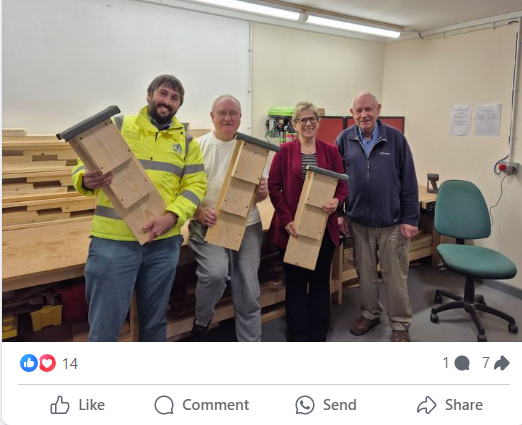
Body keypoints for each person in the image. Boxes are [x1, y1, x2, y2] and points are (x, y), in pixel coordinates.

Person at [72, 74, 207, 342]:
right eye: (163, 93)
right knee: (105, 324)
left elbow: (195, 187)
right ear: (149, 94)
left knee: (154, 323)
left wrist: (172, 216)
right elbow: (81, 165)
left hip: (163, 243)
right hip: (114, 241)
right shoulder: (120, 126)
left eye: (174, 98)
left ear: (180, 105)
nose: (167, 101)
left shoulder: (188, 143)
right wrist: (84, 179)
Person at [336, 91, 419, 342]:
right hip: (358, 223)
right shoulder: (343, 139)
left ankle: (400, 324)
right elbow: (336, 181)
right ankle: (370, 314)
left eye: (368, 109)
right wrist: (340, 213)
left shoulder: (395, 139)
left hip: (392, 223)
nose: (364, 115)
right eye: (359, 110)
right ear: (352, 113)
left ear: (378, 109)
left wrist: (410, 219)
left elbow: (409, 181)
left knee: (395, 279)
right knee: (366, 276)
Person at [188, 95, 268, 342]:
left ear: (240, 118)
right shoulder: (197, 147)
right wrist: (198, 212)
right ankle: (202, 324)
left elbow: (258, 195)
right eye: (222, 112)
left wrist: (261, 194)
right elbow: (183, 190)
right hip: (207, 225)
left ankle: (250, 342)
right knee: (214, 274)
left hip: (247, 225)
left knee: (249, 289)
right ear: (212, 116)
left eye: (233, 113)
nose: (228, 118)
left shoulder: (251, 150)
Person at [268, 101, 348, 342]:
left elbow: (343, 185)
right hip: (292, 229)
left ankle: (318, 335)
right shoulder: (284, 151)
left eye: (312, 118)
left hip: (323, 228)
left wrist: (336, 201)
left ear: (318, 122)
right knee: (295, 285)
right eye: (302, 119)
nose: (308, 123)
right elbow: (274, 187)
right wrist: (287, 220)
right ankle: (299, 336)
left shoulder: (331, 152)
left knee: (320, 284)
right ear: (294, 124)